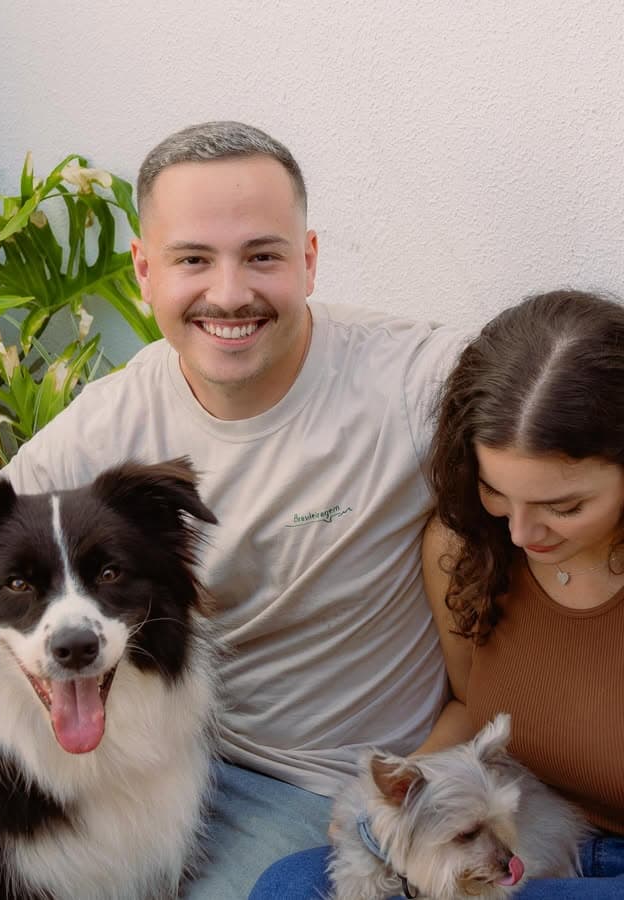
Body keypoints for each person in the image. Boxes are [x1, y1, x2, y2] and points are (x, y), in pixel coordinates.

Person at [0, 120, 466, 897]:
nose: (229, 293)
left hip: (310, 787)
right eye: (192, 260)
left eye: (262, 255)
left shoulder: (415, 384)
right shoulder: (114, 416)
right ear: (145, 272)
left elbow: (566, 389)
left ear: (307, 262)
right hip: (149, 751)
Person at [250, 289, 624, 899]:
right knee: (287, 887)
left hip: (581, 862)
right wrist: (390, 801)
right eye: (497, 491)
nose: (523, 533)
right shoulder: (464, 552)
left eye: (565, 506)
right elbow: (468, 704)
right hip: (514, 833)